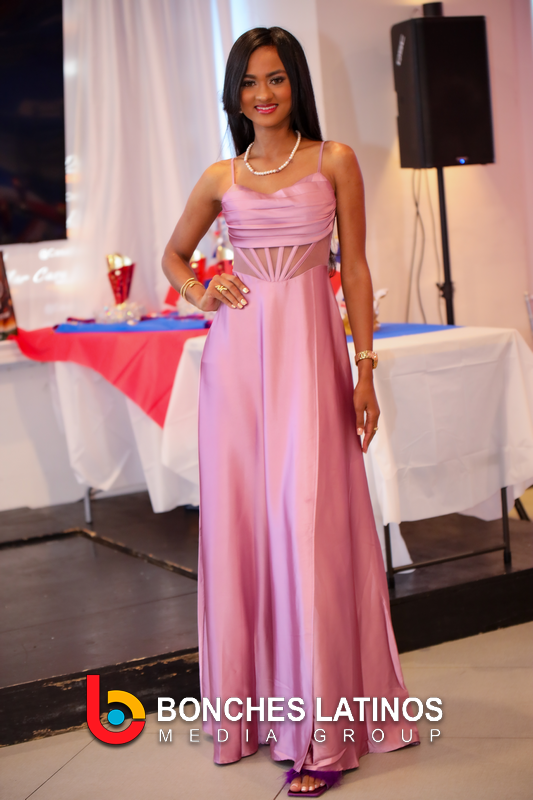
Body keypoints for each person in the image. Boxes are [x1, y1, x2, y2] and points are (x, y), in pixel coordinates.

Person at [162, 26, 419, 797]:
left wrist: (364, 370)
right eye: (248, 82)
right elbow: (173, 254)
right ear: (234, 95)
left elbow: (356, 267)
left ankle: (321, 736)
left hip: (311, 363)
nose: (262, 93)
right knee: (244, 530)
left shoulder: (333, 160)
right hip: (235, 370)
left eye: (274, 78)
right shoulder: (220, 176)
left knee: (307, 526)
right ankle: (253, 718)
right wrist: (202, 290)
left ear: (294, 84)